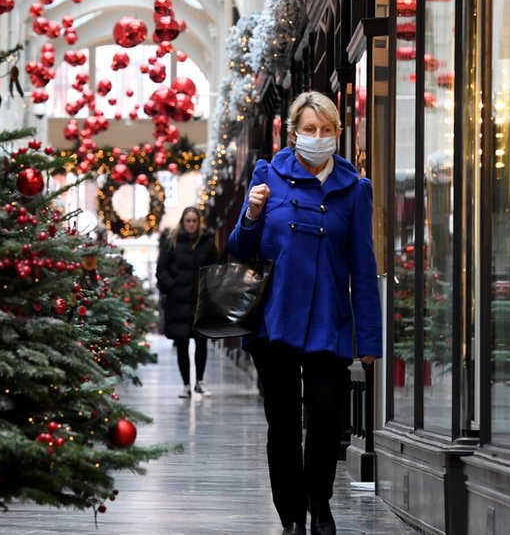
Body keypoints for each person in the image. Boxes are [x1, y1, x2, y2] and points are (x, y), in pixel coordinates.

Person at [226, 90, 381, 535]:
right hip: (275, 320)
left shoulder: (354, 190)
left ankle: (319, 498)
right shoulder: (267, 176)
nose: (317, 137)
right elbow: (240, 248)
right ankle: (292, 514)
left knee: (327, 412)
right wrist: (252, 214)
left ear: (338, 133)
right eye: (309, 130)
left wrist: (368, 339)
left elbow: (364, 268)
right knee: (284, 422)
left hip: (329, 321)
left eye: (326, 130)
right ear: (294, 134)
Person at [156, 207, 219, 398]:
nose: (191, 224)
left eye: (194, 221)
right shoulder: (172, 242)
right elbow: (161, 270)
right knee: (182, 342)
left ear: (198, 222)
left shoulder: (207, 242)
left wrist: (210, 288)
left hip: (200, 301)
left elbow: (216, 267)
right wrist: (171, 286)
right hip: (178, 301)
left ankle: (199, 381)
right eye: (188, 221)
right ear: (183, 222)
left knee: (202, 341)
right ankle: (185, 384)